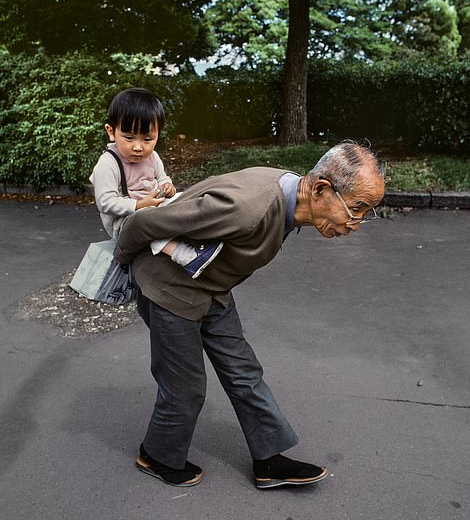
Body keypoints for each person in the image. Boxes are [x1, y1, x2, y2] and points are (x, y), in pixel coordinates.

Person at [114, 140, 385, 489]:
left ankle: (269, 461)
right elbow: (142, 223)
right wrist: (120, 265)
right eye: (356, 208)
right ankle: (157, 456)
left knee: (244, 373)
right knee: (185, 388)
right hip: (170, 287)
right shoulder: (248, 207)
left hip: (210, 286)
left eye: (367, 212)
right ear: (320, 189)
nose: (356, 223)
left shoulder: (288, 193)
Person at [90, 87, 222, 279]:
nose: (138, 147)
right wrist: (139, 204)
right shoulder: (108, 164)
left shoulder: (152, 157)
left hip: (153, 206)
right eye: (128, 137)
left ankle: (202, 236)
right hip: (125, 223)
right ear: (111, 132)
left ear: (158, 134)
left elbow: (162, 178)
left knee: (184, 199)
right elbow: (105, 202)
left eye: (147, 139)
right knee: (147, 221)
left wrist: (167, 186)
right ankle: (184, 256)